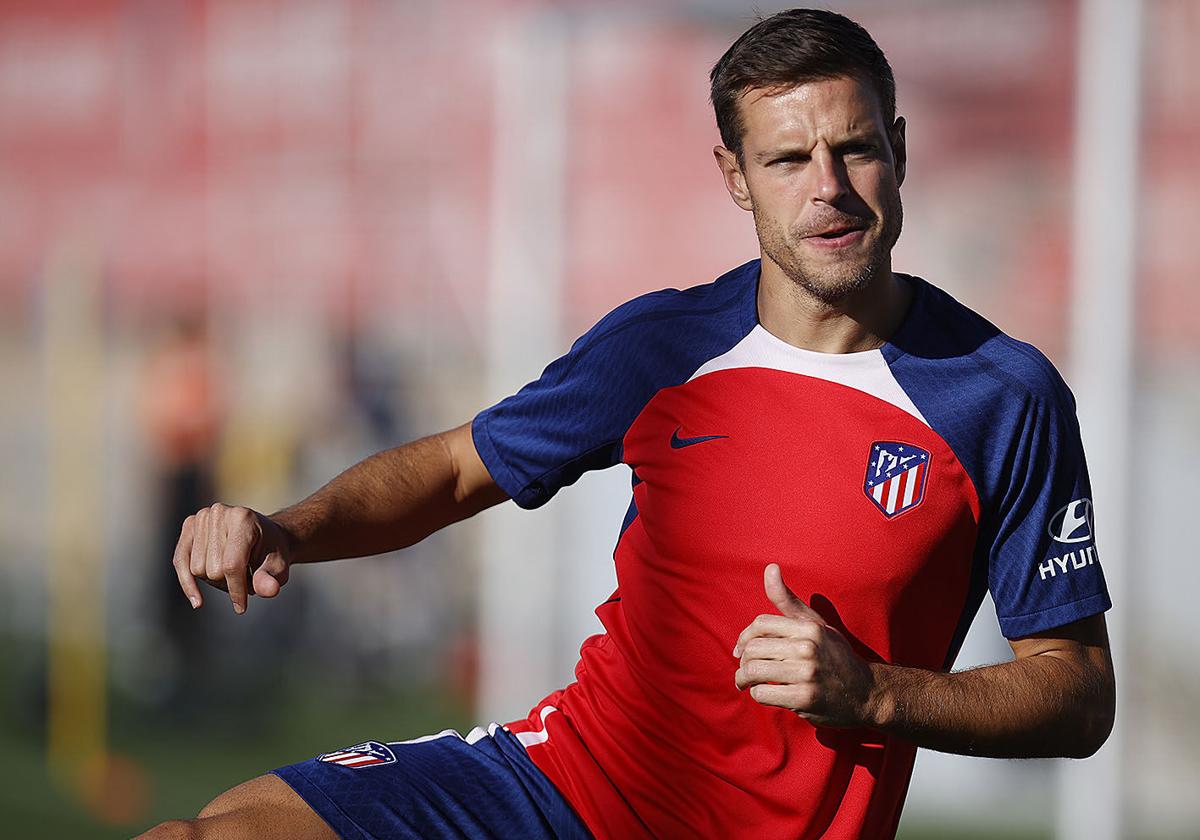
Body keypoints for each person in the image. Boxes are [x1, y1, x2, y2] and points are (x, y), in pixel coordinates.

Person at [140, 8, 1114, 840]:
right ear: (736, 176)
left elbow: (1076, 691)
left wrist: (880, 696)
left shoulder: (1000, 394)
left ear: (898, 147)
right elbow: (453, 470)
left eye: (854, 147)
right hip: (561, 788)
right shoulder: (664, 345)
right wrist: (285, 531)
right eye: (787, 159)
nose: (828, 185)